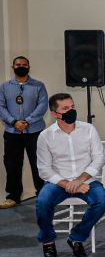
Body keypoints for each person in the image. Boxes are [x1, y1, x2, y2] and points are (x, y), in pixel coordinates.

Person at [35, 93, 105, 257]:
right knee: (42, 202)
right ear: (54, 114)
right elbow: (44, 170)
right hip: (58, 182)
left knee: (102, 199)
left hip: (86, 180)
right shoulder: (45, 136)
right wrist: (67, 184)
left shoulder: (88, 129)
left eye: (72, 107)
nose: (71, 111)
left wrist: (79, 180)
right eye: (65, 108)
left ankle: (76, 238)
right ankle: (48, 241)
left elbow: (99, 158)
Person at [0, 56, 48, 209]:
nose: (21, 66)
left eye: (24, 64)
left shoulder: (38, 86)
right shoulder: (4, 86)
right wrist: (14, 122)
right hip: (12, 132)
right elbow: (1, 107)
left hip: (35, 131)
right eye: (18, 64)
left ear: (29, 67)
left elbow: (42, 106)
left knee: (38, 163)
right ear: (12, 67)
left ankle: (43, 193)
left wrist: (27, 121)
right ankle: (13, 196)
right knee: (12, 164)